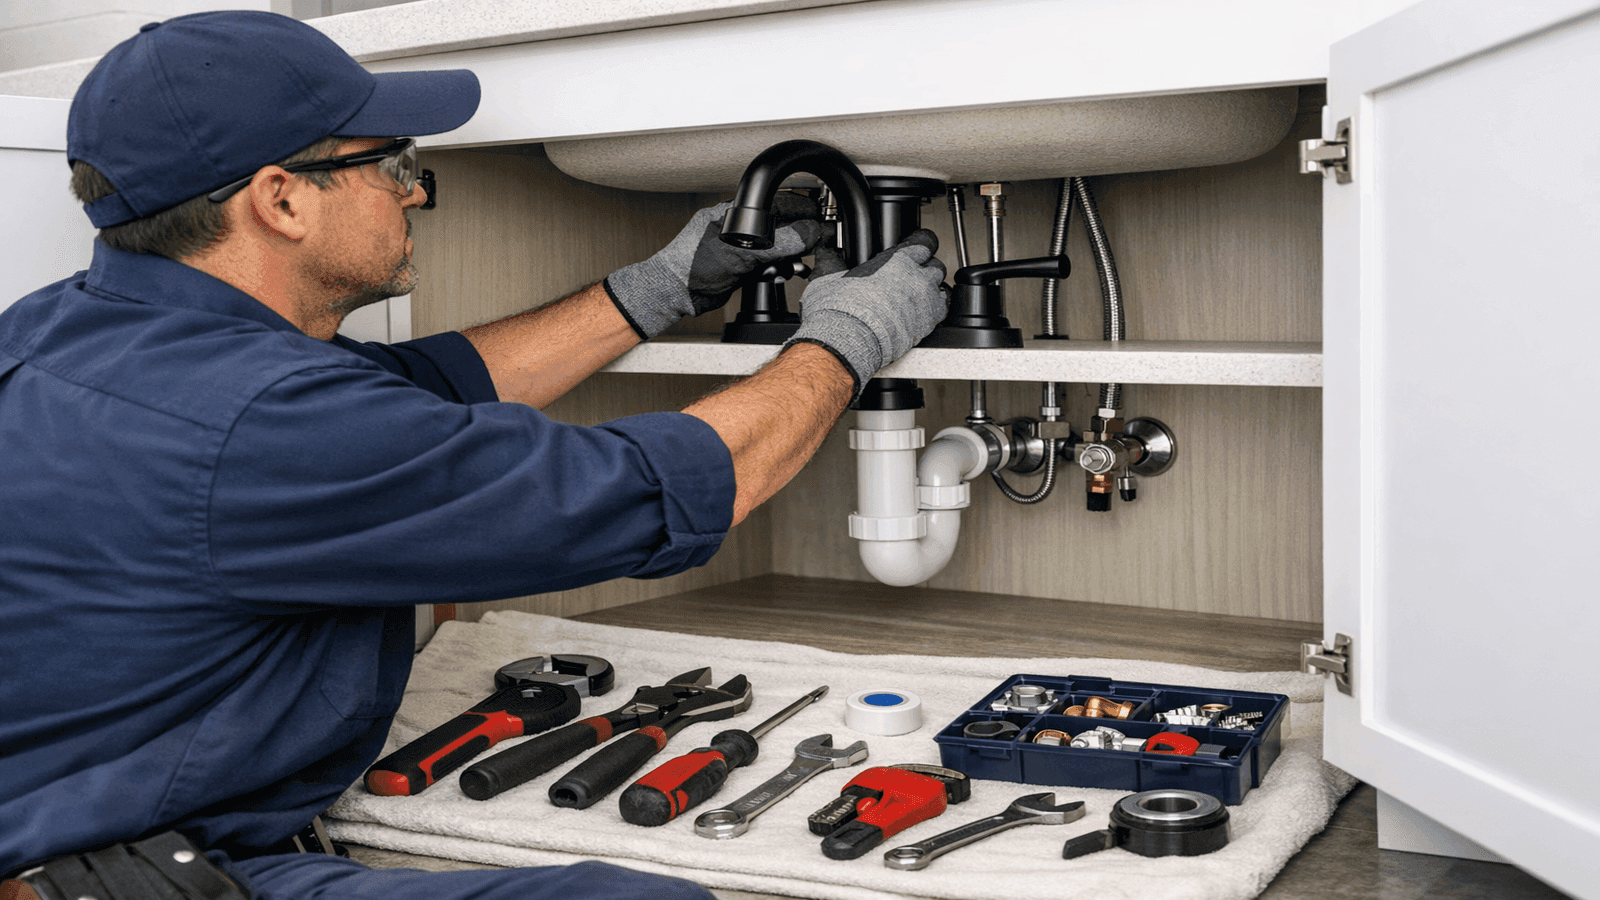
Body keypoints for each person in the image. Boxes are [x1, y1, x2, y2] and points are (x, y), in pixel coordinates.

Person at [0, 10, 947, 900]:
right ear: (280, 200)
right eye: (390, 162)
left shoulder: (62, 331)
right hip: (135, 877)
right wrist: (846, 342)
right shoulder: (265, 423)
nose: (413, 190)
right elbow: (659, 490)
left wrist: (652, 291)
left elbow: (415, 392)